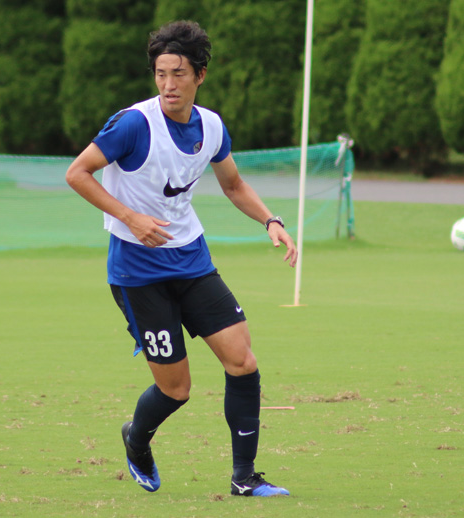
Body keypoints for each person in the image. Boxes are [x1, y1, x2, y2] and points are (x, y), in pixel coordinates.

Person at [65, 20, 297, 497]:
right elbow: (77, 173)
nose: (168, 84)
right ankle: (136, 439)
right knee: (176, 389)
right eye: (160, 73)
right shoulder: (134, 123)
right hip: (138, 272)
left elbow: (233, 184)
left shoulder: (211, 126)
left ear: (200, 75)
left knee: (242, 361)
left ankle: (244, 477)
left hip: (192, 261)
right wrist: (130, 217)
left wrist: (270, 220)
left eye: (178, 73)